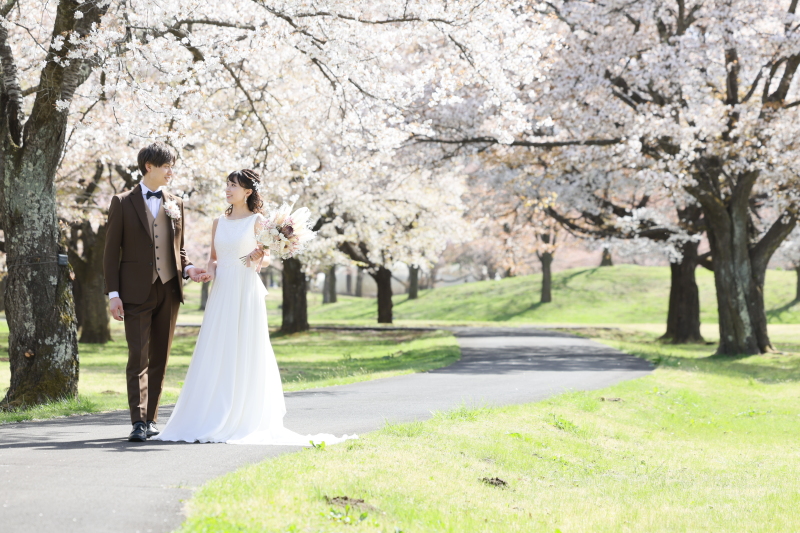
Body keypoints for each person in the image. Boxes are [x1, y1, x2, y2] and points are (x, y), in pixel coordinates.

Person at [154, 169, 354, 445]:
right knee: (217, 346)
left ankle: (243, 414)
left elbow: (268, 258)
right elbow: (214, 257)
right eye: (227, 184)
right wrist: (209, 271)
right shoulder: (218, 221)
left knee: (245, 346)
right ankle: (209, 412)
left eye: (233, 185)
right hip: (222, 289)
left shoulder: (258, 221)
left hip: (245, 288)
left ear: (248, 191)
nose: (227, 189)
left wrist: (258, 257)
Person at [103, 142, 207, 442]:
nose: (171, 171)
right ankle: (137, 421)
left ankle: (151, 419)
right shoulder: (122, 202)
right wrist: (113, 295)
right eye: (167, 166)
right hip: (135, 292)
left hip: (169, 291)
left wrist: (188, 270)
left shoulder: (177, 203)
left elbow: (179, 248)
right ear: (149, 166)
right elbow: (111, 254)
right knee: (139, 356)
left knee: (160, 356)